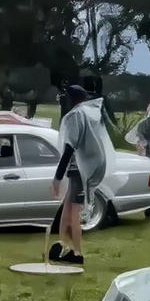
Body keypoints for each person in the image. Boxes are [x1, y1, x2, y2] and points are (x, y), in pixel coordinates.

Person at [49, 85, 116, 266]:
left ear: (70, 98)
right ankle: (63, 244)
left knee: (73, 213)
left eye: (64, 96)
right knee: (67, 208)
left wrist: (57, 178)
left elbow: (69, 148)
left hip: (79, 169)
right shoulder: (88, 113)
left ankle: (77, 253)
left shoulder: (75, 116)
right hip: (79, 169)